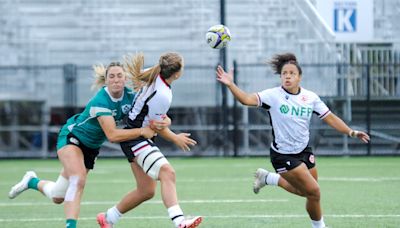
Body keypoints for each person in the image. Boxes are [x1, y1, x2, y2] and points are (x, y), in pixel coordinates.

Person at [8, 62, 170, 228]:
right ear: (106, 80)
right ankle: (71, 226)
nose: (116, 80)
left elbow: (151, 112)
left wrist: (165, 120)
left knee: (58, 195)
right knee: (77, 180)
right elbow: (112, 135)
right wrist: (142, 131)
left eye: (119, 76)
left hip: (91, 148)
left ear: (125, 79)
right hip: (72, 138)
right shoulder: (101, 101)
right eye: (111, 76)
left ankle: (31, 181)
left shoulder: (131, 96)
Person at [216, 53, 370, 228]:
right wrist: (230, 84)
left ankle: (268, 178)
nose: (287, 76)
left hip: (304, 151)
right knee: (314, 192)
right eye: (284, 73)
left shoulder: (310, 98)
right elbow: (246, 99)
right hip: (283, 155)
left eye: (292, 73)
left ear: (300, 77)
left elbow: (330, 118)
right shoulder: (273, 95)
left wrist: (351, 132)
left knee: (308, 192)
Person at [96, 52, 203, 228]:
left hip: (135, 137)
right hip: (136, 139)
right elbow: (156, 126)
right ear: (177, 74)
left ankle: (108, 218)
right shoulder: (163, 94)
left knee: (146, 191)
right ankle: (180, 222)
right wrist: (175, 137)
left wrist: (166, 121)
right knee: (168, 173)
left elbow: (157, 119)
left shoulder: (154, 74)